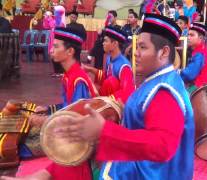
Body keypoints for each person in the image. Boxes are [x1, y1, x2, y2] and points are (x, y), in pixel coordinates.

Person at [28, 13, 194, 180]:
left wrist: (105, 129)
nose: (135, 53)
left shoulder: (164, 91)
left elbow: (162, 146)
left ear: (164, 52)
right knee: (79, 154)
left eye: (143, 47)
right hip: (143, 161)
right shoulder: (156, 81)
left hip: (152, 172)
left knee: (84, 157)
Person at [0, 27, 96, 180]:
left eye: (56, 46)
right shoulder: (69, 75)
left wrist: (46, 120)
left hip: (75, 139)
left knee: (18, 145)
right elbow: (68, 106)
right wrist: (48, 108)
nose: (51, 50)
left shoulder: (79, 80)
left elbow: (78, 119)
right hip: (64, 126)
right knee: (26, 129)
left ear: (70, 51)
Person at [83, 26, 135, 103]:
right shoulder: (109, 58)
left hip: (118, 104)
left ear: (114, 44)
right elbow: (106, 77)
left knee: (111, 81)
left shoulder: (124, 66)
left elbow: (127, 92)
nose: (103, 43)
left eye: (105, 41)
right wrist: (89, 69)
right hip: (109, 97)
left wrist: (106, 100)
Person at [180, 22, 207, 92]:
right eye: (188, 35)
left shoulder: (199, 54)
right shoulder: (201, 49)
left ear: (200, 38)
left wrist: (178, 73)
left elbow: (190, 74)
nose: (188, 37)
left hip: (203, 87)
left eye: (192, 35)